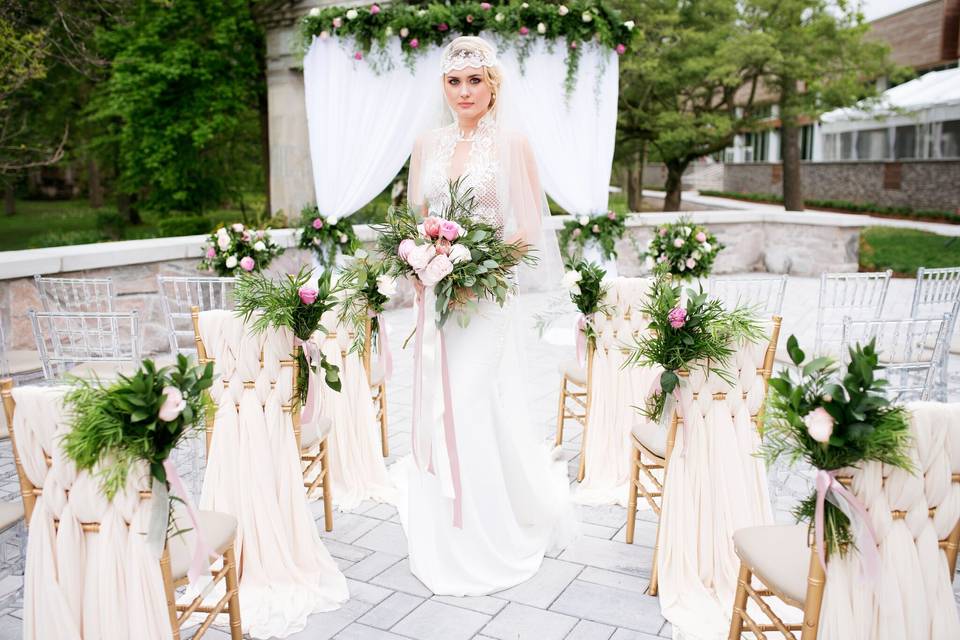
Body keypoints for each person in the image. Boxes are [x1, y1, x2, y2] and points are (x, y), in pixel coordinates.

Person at [391, 35, 577, 597]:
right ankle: (448, 530)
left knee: (468, 400)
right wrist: (424, 258)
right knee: (439, 405)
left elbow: (527, 228)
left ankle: (483, 533)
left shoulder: (514, 143)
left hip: (485, 298)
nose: (464, 91)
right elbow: (417, 218)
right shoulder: (426, 144)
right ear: (443, 87)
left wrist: (478, 266)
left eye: (475, 80)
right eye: (454, 81)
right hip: (438, 300)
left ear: (493, 85)